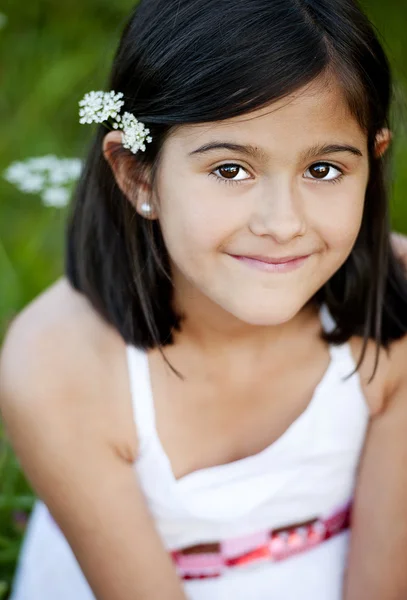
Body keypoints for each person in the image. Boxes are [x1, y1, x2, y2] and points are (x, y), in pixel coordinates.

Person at [1, 0, 407, 598]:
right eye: (229, 170)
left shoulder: (394, 303)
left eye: (322, 170)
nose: (282, 223)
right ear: (139, 175)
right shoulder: (60, 365)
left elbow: (383, 580)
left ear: (371, 160)